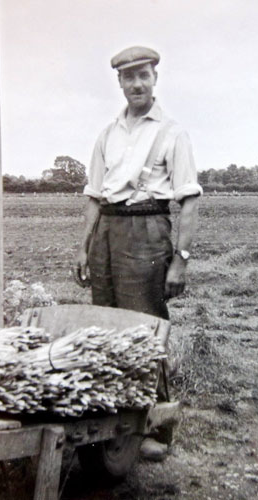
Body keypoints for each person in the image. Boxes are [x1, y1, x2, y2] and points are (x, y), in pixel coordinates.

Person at [74, 45, 202, 460]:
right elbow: (95, 196)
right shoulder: (108, 134)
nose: (137, 84)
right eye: (129, 78)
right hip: (107, 232)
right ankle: (115, 428)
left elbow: (189, 201)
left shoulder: (172, 133)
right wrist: (84, 245)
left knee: (145, 329)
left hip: (147, 230)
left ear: (155, 79)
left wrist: (180, 259)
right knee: (107, 329)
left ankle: (156, 430)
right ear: (120, 83)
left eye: (144, 76)